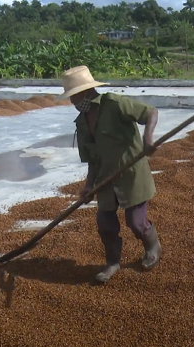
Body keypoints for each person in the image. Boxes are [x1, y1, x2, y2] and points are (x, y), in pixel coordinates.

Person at [59, 65, 161, 283]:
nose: (72, 102)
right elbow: (93, 159)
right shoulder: (82, 123)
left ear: (84, 92)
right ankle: (112, 263)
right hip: (105, 179)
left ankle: (152, 247)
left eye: (73, 97)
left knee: (135, 221)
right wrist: (88, 186)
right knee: (105, 223)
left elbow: (151, 112)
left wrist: (148, 139)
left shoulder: (115, 104)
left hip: (131, 174)